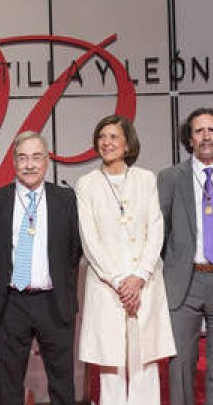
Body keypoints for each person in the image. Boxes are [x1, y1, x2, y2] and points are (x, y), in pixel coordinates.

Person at [72, 115, 175, 404]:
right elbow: (89, 240)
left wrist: (139, 276)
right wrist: (119, 280)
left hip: (145, 283)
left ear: (127, 144)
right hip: (107, 285)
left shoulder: (145, 179)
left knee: (145, 360)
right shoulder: (87, 184)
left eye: (114, 137)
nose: (107, 142)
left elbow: (156, 230)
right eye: (102, 137)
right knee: (110, 361)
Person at [157, 107, 213, 405]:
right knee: (181, 362)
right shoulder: (170, 177)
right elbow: (161, 229)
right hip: (184, 280)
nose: (206, 136)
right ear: (190, 138)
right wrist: (178, 262)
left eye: (212, 130)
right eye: (199, 131)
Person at [0, 131, 83, 405]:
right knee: (9, 384)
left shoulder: (66, 199)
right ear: (14, 163)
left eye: (36, 157)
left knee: (62, 382)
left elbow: (75, 248)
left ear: (47, 161)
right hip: (11, 302)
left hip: (53, 300)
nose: (30, 164)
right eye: (23, 158)